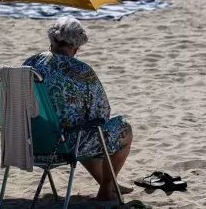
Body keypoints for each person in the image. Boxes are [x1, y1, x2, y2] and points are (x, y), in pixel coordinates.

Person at [23, 17, 133, 201]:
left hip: (28, 142)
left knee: (78, 128)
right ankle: (106, 188)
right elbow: (102, 113)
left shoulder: (31, 64)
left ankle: (111, 182)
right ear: (77, 45)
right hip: (65, 145)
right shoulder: (82, 71)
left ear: (52, 40)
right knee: (121, 128)